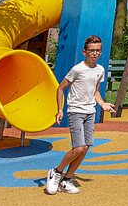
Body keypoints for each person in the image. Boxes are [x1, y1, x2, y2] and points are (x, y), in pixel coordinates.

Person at [45, 34, 116, 195]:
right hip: (75, 111)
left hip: (90, 112)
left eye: (98, 50)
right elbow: (60, 88)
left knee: (85, 149)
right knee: (78, 148)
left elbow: (96, 91)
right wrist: (60, 109)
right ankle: (56, 172)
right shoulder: (77, 69)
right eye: (91, 50)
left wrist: (103, 104)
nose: (95, 53)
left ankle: (66, 180)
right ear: (85, 52)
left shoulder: (100, 70)